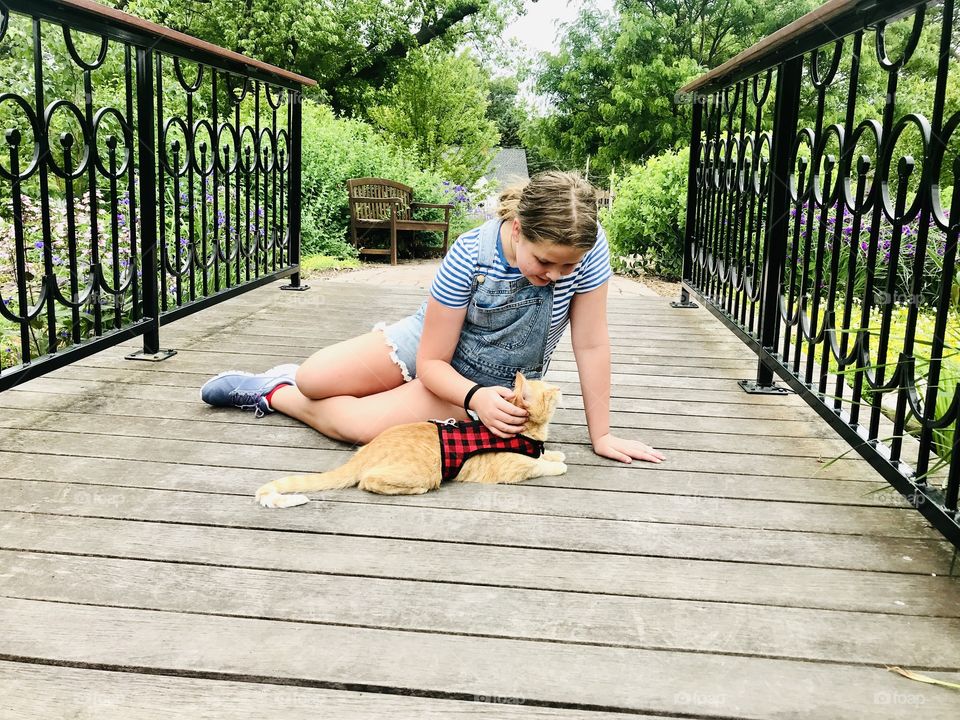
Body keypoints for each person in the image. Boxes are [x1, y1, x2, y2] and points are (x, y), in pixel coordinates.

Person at [201, 171, 665, 465]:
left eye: (569, 267)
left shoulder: (589, 247)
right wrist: (466, 395)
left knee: (357, 427)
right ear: (519, 230)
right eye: (545, 262)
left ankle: (272, 393)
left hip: (485, 381)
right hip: (433, 350)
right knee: (315, 377)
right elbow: (430, 363)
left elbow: (591, 343)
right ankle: (293, 380)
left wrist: (600, 434)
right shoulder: (470, 253)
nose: (556, 276)